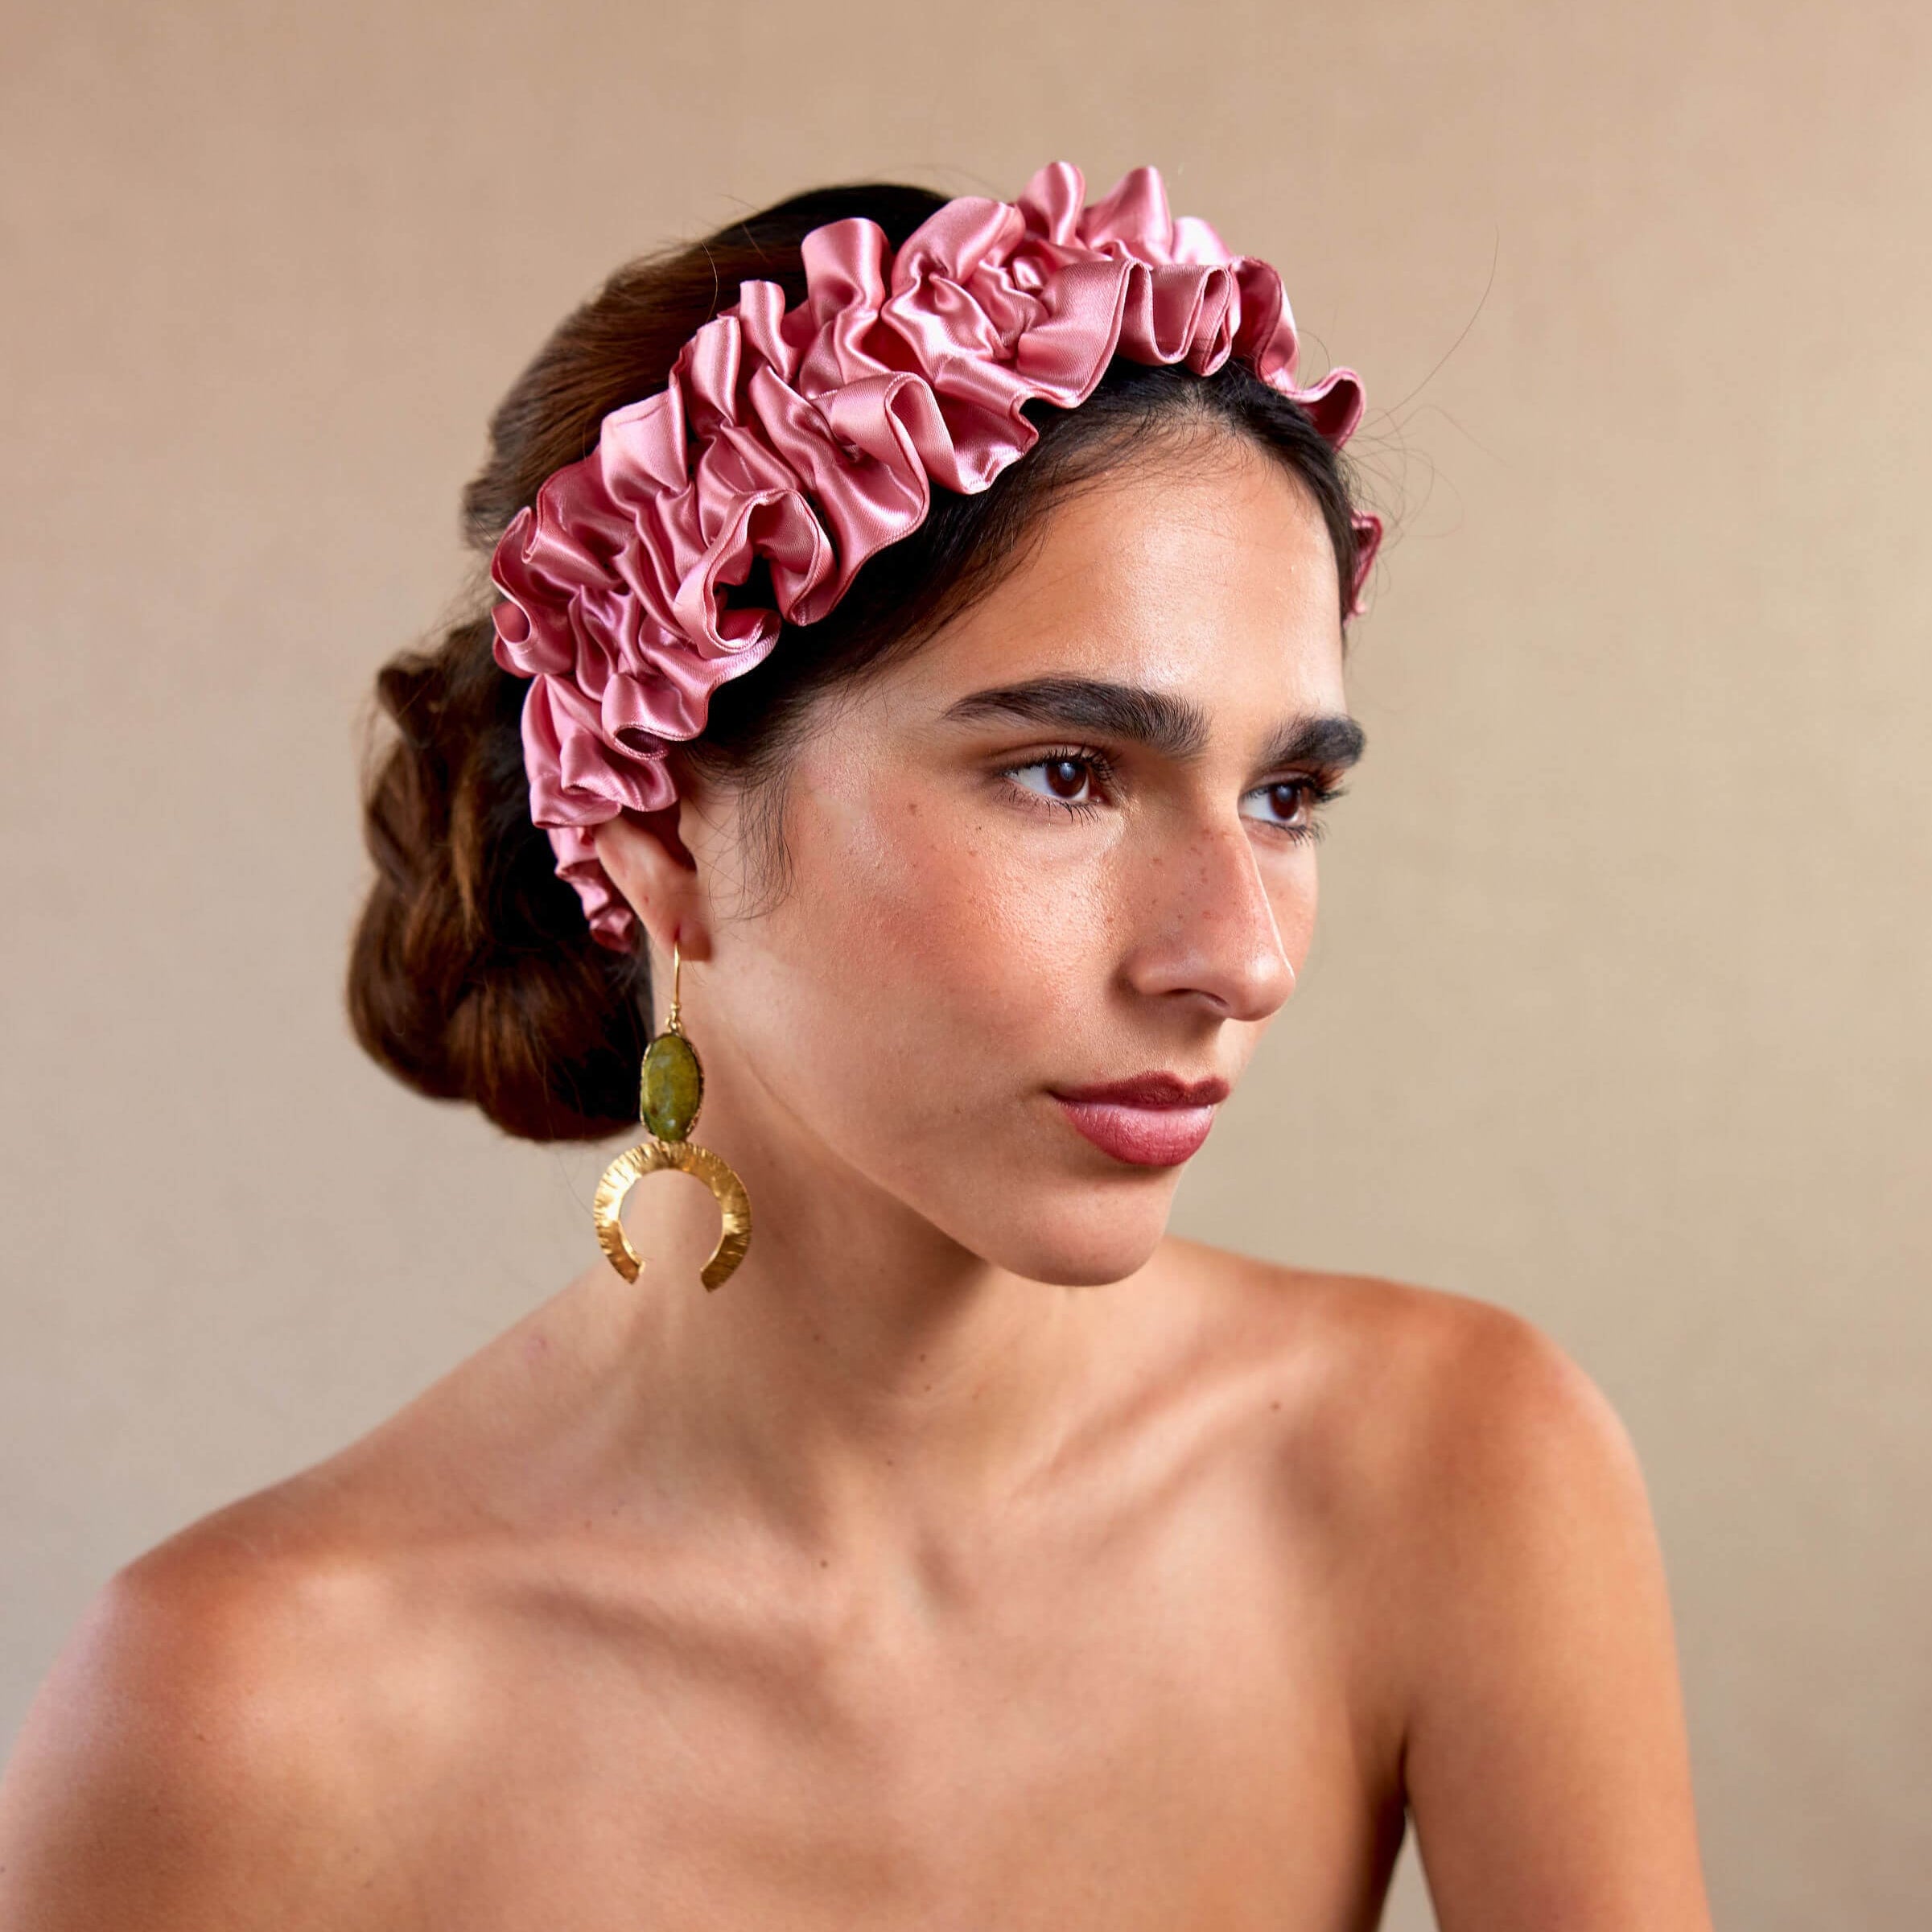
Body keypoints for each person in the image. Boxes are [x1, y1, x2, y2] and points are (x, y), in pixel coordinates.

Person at [0, 163, 1713, 1930]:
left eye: (1284, 796)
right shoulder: (237, 1714)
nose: (1241, 957)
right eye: (1066, 774)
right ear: (657, 826)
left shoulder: (1453, 1470)